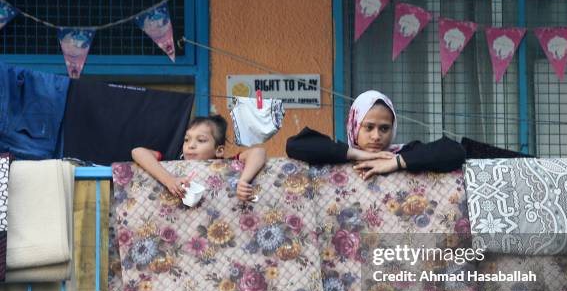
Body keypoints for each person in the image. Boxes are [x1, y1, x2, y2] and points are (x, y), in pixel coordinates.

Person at [286, 90, 465, 179]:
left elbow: (455, 151)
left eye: (384, 128)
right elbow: (294, 146)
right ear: (354, 125)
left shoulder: (406, 153)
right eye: (368, 127)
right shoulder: (336, 152)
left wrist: (396, 162)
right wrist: (357, 154)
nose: (376, 136)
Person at [132, 115, 266, 201]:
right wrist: (169, 180)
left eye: (201, 140)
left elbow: (258, 152)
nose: (191, 146)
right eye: (186, 139)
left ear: (219, 150)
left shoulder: (227, 163)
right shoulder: (175, 162)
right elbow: (137, 152)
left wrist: (243, 180)